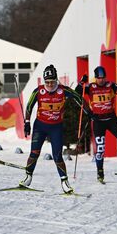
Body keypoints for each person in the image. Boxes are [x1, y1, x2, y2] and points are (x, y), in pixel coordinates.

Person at [20, 64, 91, 193]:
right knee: (34, 153)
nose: (50, 85)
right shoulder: (39, 91)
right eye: (47, 82)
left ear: (56, 80)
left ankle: (65, 182)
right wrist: (27, 122)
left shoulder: (63, 90)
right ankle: (28, 177)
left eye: (52, 82)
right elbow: (29, 106)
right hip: (40, 126)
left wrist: (88, 111)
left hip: (56, 127)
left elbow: (78, 98)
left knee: (57, 155)